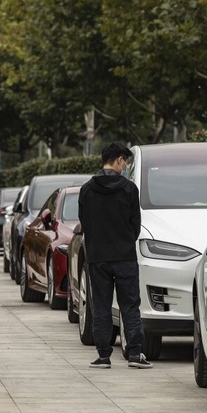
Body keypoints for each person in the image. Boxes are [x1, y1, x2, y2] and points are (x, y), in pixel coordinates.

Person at [78, 141, 152, 369]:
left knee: (100, 304)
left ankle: (103, 355)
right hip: (125, 257)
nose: (125, 167)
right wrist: (124, 241)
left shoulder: (87, 189)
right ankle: (135, 354)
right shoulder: (129, 189)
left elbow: (85, 222)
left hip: (97, 257)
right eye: (125, 162)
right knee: (129, 304)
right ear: (119, 159)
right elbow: (135, 225)